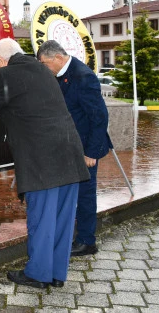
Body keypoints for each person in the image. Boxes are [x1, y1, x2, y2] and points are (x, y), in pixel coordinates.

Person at [0, 38, 89, 288]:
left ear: (2, 60)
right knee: (63, 219)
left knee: (42, 218)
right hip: (70, 153)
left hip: (43, 160)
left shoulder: (5, 75)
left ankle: (38, 274)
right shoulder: (43, 71)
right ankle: (57, 273)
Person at [37, 40, 112, 257]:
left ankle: (87, 242)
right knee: (70, 193)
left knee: (85, 195)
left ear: (58, 58)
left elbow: (99, 116)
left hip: (84, 149)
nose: (44, 68)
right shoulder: (62, 74)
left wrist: (91, 152)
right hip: (68, 146)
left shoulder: (83, 76)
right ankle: (70, 236)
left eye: (45, 63)